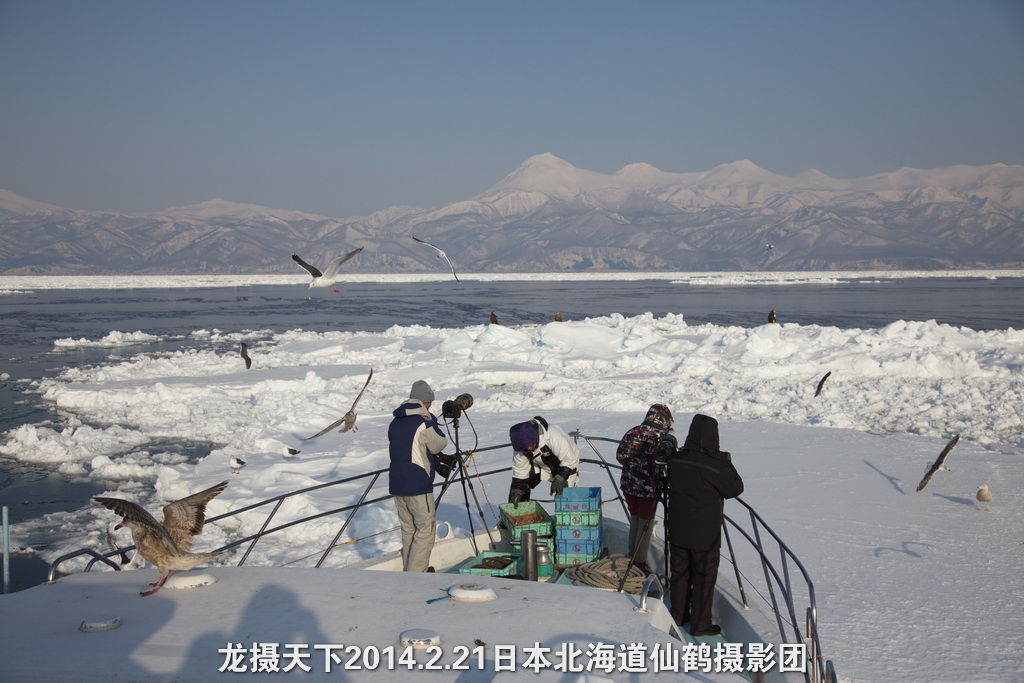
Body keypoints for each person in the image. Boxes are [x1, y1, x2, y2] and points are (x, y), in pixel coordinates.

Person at [667, 414, 744, 637]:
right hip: (705, 534)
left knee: (680, 573)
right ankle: (700, 624)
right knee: (703, 577)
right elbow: (735, 488)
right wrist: (726, 462)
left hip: (677, 528)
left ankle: (678, 614)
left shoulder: (675, 460)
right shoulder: (716, 466)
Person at [388, 380, 450, 572]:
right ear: (426, 402)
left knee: (408, 529)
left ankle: (409, 571)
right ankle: (416, 574)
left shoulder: (395, 422)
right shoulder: (423, 422)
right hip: (417, 484)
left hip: (397, 484)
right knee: (425, 529)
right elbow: (439, 444)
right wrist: (431, 421)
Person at [615, 404, 674, 568]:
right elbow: (667, 463)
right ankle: (639, 563)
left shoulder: (633, 432)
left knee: (635, 518)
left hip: (628, 485)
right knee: (645, 525)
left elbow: (620, 456)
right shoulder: (662, 438)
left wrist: (633, 465)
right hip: (648, 489)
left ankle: (632, 554)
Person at [508, 416, 580, 504]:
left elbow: (569, 459)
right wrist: (517, 491)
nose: (528, 449)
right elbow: (520, 469)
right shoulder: (521, 445)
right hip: (538, 463)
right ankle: (519, 509)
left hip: (565, 464)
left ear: (534, 438)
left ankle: (566, 510)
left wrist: (560, 479)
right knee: (520, 489)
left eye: (530, 446)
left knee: (564, 495)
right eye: (525, 449)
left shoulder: (553, 436)